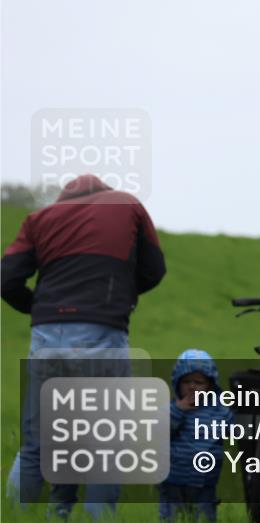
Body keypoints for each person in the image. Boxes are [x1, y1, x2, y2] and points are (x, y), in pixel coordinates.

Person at [1, 174, 166, 520]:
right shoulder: (126, 205)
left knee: (37, 445)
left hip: (46, 339)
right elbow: (154, 270)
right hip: (101, 333)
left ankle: (17, 515)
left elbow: (7, 279)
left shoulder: (39, 219)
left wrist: (37, 307)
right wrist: (119, 296)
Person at [160, 349, 232, 522]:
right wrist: (178, 410)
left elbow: (234, 429)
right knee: (172, 516)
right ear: (177, 383)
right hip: (174, 479)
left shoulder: (218, 410)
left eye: (198, 382)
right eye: (186, 382)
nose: (192, 386)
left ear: (210, 385)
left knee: (204, 516)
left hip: (205, 481)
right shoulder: (171, 408)